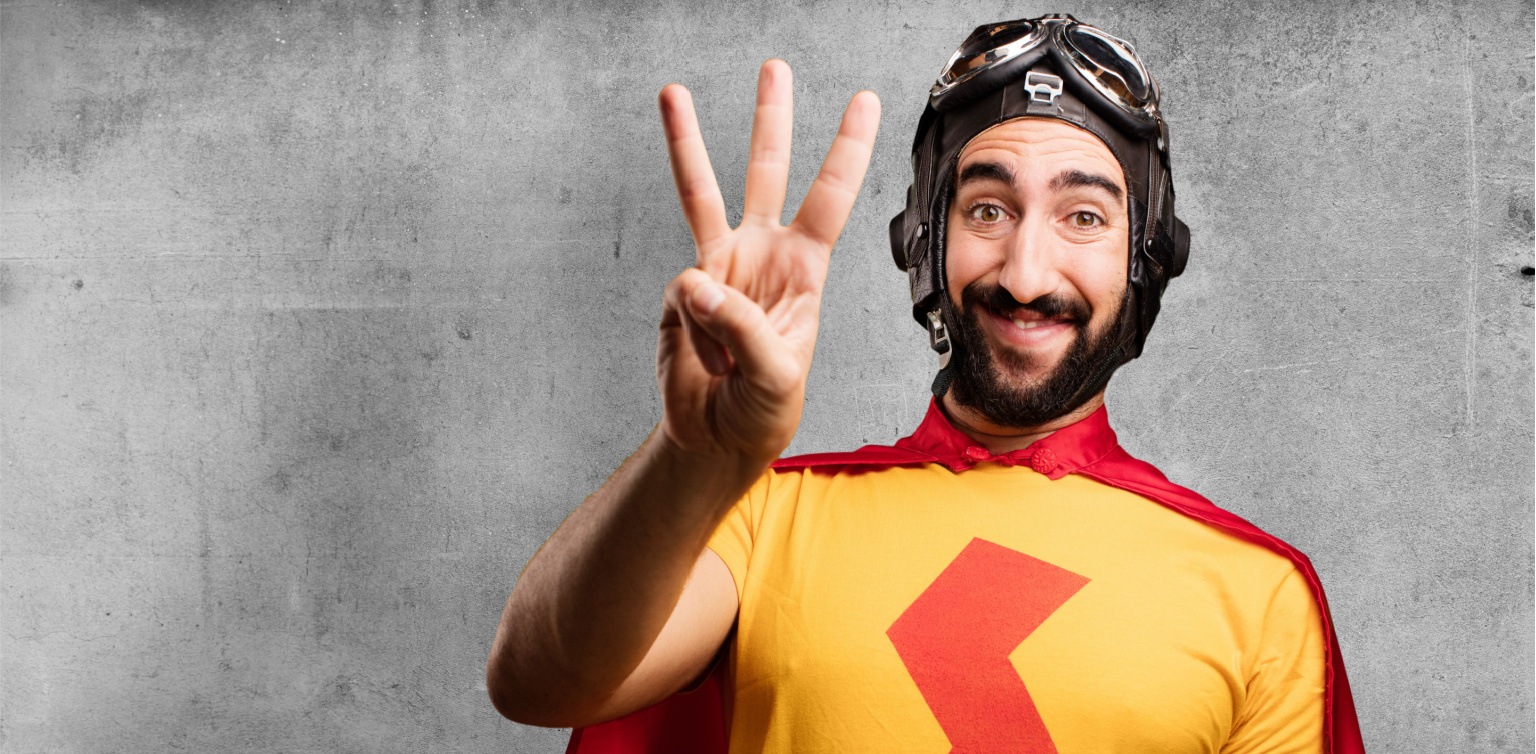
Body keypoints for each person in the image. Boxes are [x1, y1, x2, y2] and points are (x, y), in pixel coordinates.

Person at [486, 14, 1365, 753]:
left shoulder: (1259, 591)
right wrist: (694, 458)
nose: (1026, 272)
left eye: (1084, 216)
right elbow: (537, 682)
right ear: (923, 244)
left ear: (1148, 262)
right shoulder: (761, 517)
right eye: (987, 208)